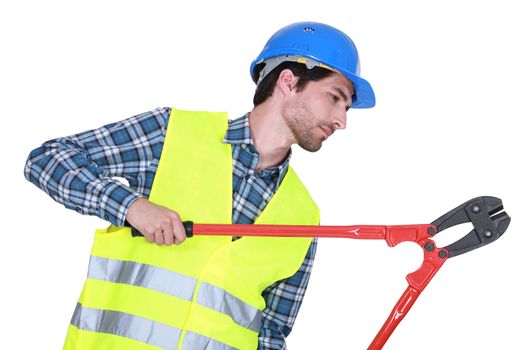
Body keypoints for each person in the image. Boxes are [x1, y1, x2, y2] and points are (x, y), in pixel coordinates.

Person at [24, 21, 375, 350]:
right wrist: (131, 207)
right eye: (334, 97)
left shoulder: (304, 217)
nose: (341, 120)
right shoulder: (171, 134)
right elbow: (48, 159)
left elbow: (270, 335)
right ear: (288, 81)